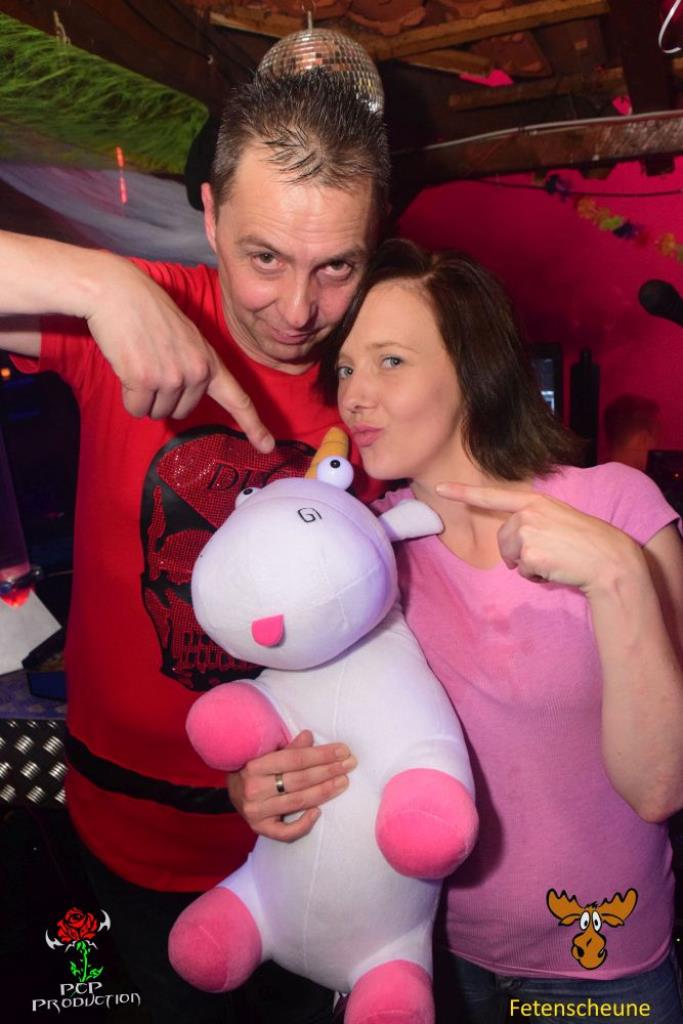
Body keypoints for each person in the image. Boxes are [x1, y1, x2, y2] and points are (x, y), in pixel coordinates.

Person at [0, 71, 389, 1023]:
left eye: (336, 266)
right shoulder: (141, 308)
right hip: (139, 845)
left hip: (329, 842)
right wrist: (98, 284)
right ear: (210, 215)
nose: (296, 310)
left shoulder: (389, 358)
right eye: (265, 257)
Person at [236, 238, 683, 1022]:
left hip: (597, 960)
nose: (355, 397)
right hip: (418, 953)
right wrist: (269, 783)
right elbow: (311, 728)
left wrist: (616, 575)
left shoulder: (615, 508)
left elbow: (660, 787)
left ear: (474, 371)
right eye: (347, 368)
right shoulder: (363, 555)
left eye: (390, 361)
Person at [603, 394, 661, 472]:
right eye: (655, 438)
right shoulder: (642, 480)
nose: (656, 446)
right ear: (642, 440)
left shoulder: (591, 475)